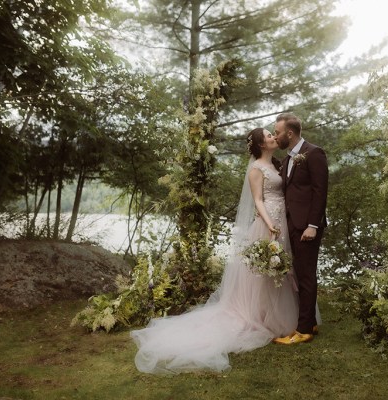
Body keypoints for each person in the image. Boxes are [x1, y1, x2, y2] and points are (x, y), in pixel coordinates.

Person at [130, 128, 299, 374]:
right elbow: (259, 200)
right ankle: (262, 317)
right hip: (268, 224)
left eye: (273, 134)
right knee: (263, 272)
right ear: (262, 144)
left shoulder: (276, 165)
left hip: (281, 220)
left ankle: (274, 314)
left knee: (277, 270)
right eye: (269, 135)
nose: (274, 137)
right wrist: (270, 223)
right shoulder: (256, 170)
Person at [272, 113, 328, 345]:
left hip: (307, 227)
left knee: (305, 275)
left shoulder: (314, 153)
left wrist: (313, 225)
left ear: (290, 133)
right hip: (292, 224)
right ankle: (310, 321)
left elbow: (320, 191)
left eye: (277, 132)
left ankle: (303, 330)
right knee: (300, 273)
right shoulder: (287, 159)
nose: (276, 136)